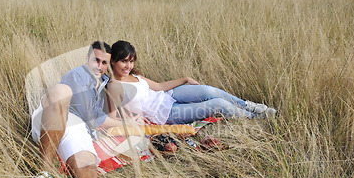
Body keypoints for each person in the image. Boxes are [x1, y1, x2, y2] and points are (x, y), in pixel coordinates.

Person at [31, 41, 141, 178]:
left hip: (77, 127)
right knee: (61, 91)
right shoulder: (78, 76)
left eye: (104, 63)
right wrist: (127, 124)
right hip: (53, 115)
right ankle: (44, 175)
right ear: (87, 59)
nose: (99, 67)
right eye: (95, 61)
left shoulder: (105, 81)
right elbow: (94, 119)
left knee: (87, 167)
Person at [106, 40, 277, 125]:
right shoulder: (114, 86)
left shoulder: (135, 76)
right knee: (217, 104)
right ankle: (255, 117)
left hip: (166, 96)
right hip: (165, 113)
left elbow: (158, 87)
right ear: (113, 61)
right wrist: (131, 121)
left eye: (132, 61)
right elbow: (111, 118)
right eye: (124, 61)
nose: (128, 66)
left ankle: (248, 105)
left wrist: (185, 79)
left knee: (208, 91)